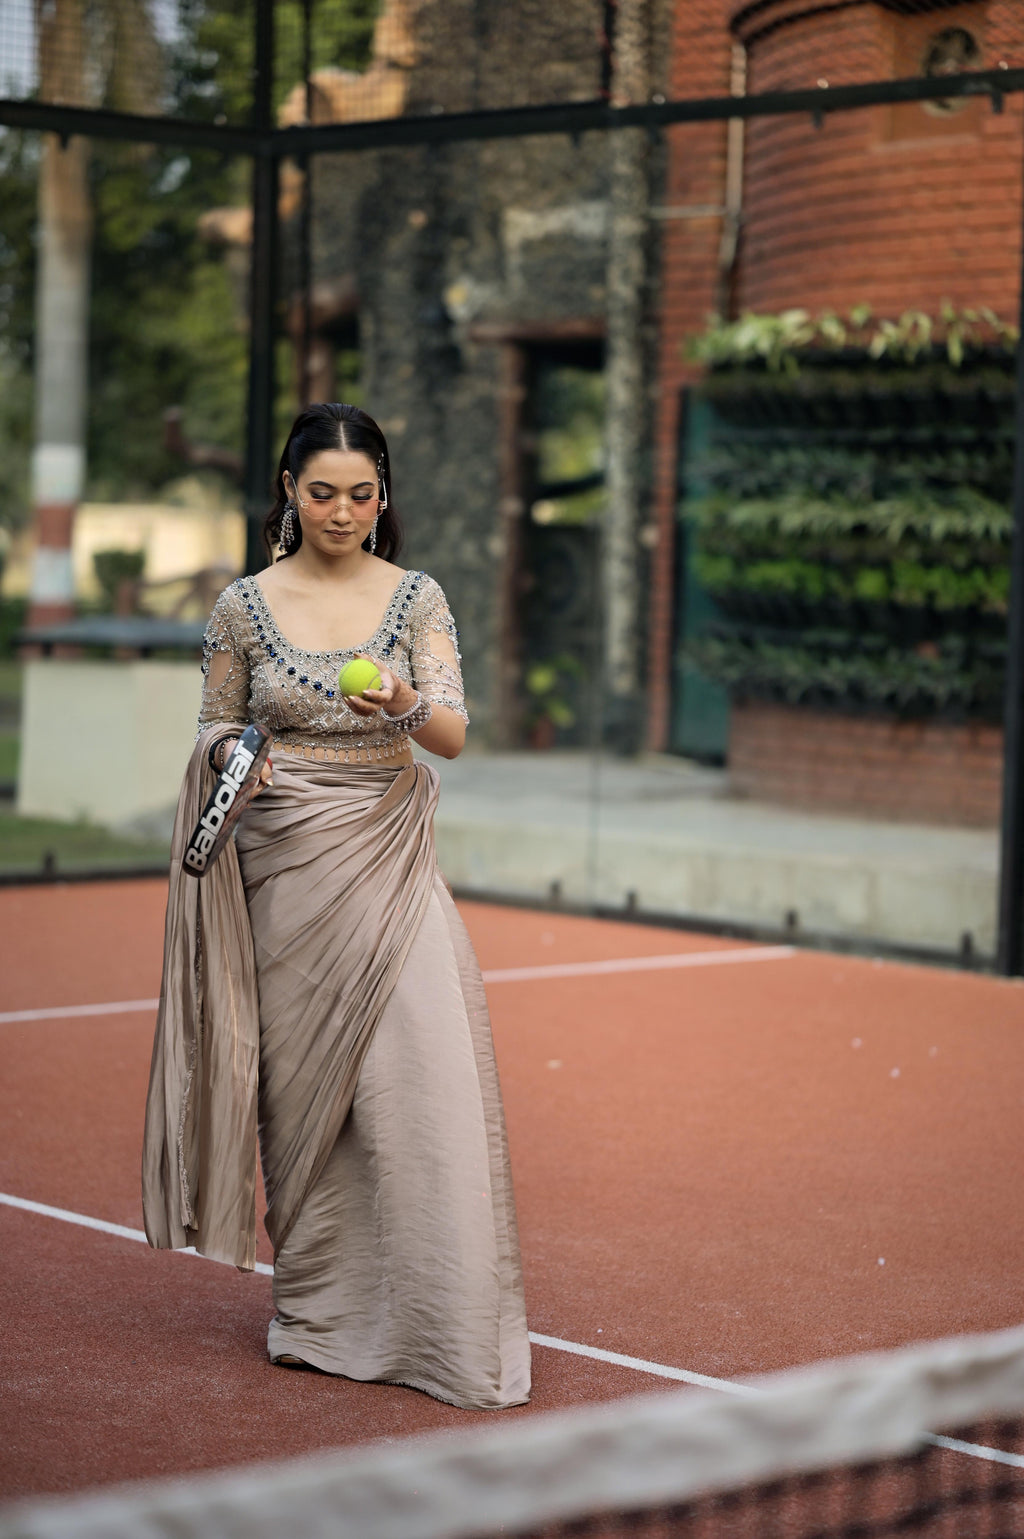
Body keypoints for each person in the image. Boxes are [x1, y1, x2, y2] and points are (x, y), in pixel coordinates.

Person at [142, 402, 531, 1411]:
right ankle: (321, 1318)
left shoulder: (415, 598)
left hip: (389, 851)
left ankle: (441, 1330)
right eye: (324, 491)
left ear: (382, 494)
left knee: (425, 1075)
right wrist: (235, 759)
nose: (344, 510)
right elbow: (215, 728)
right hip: (284, 866)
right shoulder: (242, 606)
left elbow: (449, 732)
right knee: (310, 1097)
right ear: (288, 492)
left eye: (363, 492)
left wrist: (401, 702)